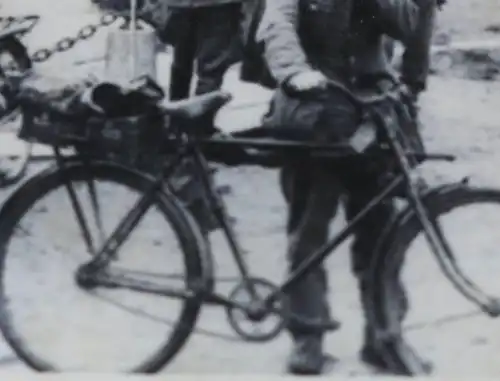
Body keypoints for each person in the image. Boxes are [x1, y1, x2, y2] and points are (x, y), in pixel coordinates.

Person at [255, 0, 436, 374]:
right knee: (308, 231)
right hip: (315, 112)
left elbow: (409, 23)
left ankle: (384, 335)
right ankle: (307, 335)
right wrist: (294, 72)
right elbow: (277, 22)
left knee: (381, 231)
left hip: (373, 115)